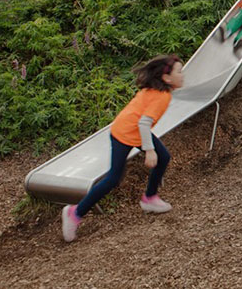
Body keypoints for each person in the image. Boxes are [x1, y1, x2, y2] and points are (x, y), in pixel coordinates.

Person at [61, 54, 183, 243]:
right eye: (179, 72)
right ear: (166, 79)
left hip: (128, 128)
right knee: (113, 178)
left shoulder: (156, 89)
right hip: (125, 133)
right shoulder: (162, 97)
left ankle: (150, 198)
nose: (183, 75)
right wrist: (149, 151)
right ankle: (74, 212)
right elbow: (144, 124)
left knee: (164, 157)